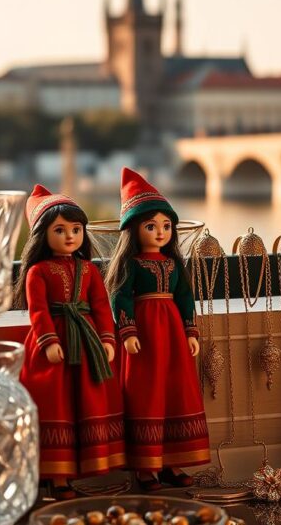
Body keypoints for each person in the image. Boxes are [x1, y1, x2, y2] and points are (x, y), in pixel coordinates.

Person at [14, 185, 125, 500]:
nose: (69, 236)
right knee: (56, 406)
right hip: (54, 348)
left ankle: (88, 464)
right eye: (59, 230)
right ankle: (55, 475)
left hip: (87, 343)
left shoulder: (89, 269)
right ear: (42, 236)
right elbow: (37, 310)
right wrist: (48, 340)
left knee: (87, 403)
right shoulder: (37, 271)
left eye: (76, 229)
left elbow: (102, 306)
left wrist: (107, 338)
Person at [104, 168, 210, 491]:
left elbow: (185, 297)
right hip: (145, 336)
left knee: (176, 392)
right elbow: (120, 296)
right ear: (134, 231)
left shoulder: (174, 263)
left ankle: (172, 461)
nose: (161, 232)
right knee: (146, 394)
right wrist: (128, 331)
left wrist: (191, 331)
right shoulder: (132, 265)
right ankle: (145, 468)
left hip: (173, 336)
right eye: (151, 226)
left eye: (166, 225)